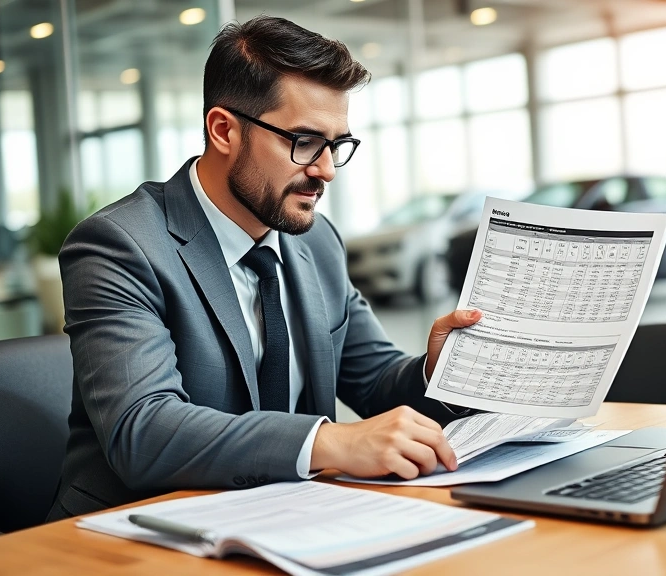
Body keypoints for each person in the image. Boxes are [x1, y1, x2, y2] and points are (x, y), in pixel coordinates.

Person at [46, 15, 480, 521]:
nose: (326, 170)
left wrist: (438, 368)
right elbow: (143, 431)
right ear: (223, 130)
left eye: (336, 144)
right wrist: (328, 442)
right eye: (303, 141)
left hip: (289, 519)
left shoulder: (315, 241)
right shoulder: (120, 245)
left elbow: (375, 381)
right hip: (133, 533)